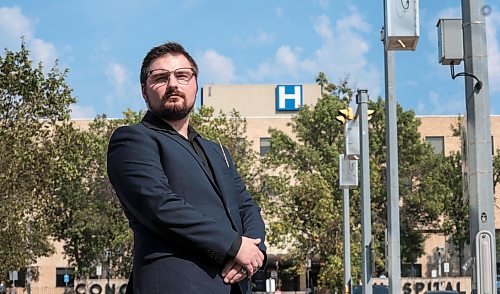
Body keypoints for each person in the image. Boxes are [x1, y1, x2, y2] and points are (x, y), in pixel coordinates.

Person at [107, 42, 267, 294]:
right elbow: (158, 205)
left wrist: (255, 253)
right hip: (176, 283)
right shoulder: (133, 139)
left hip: (236, 286)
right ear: (144, 91)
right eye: (160, 77)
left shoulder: (218, 151)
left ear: (195, 85)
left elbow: (246, 207)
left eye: (182, 75)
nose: (173, 84)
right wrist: (234, 245)